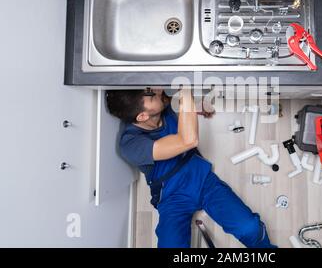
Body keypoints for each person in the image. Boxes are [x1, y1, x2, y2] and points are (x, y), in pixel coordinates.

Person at [105, 88, 276, 248]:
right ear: (142, 116)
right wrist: (185, 86)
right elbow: (188, 140)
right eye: (151, 95)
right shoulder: (130, 144)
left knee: (249, 228)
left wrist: (195, 109)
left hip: (202, 180)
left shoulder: (162, 106)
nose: (157, 90)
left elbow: (177, 104)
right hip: (172, 198)